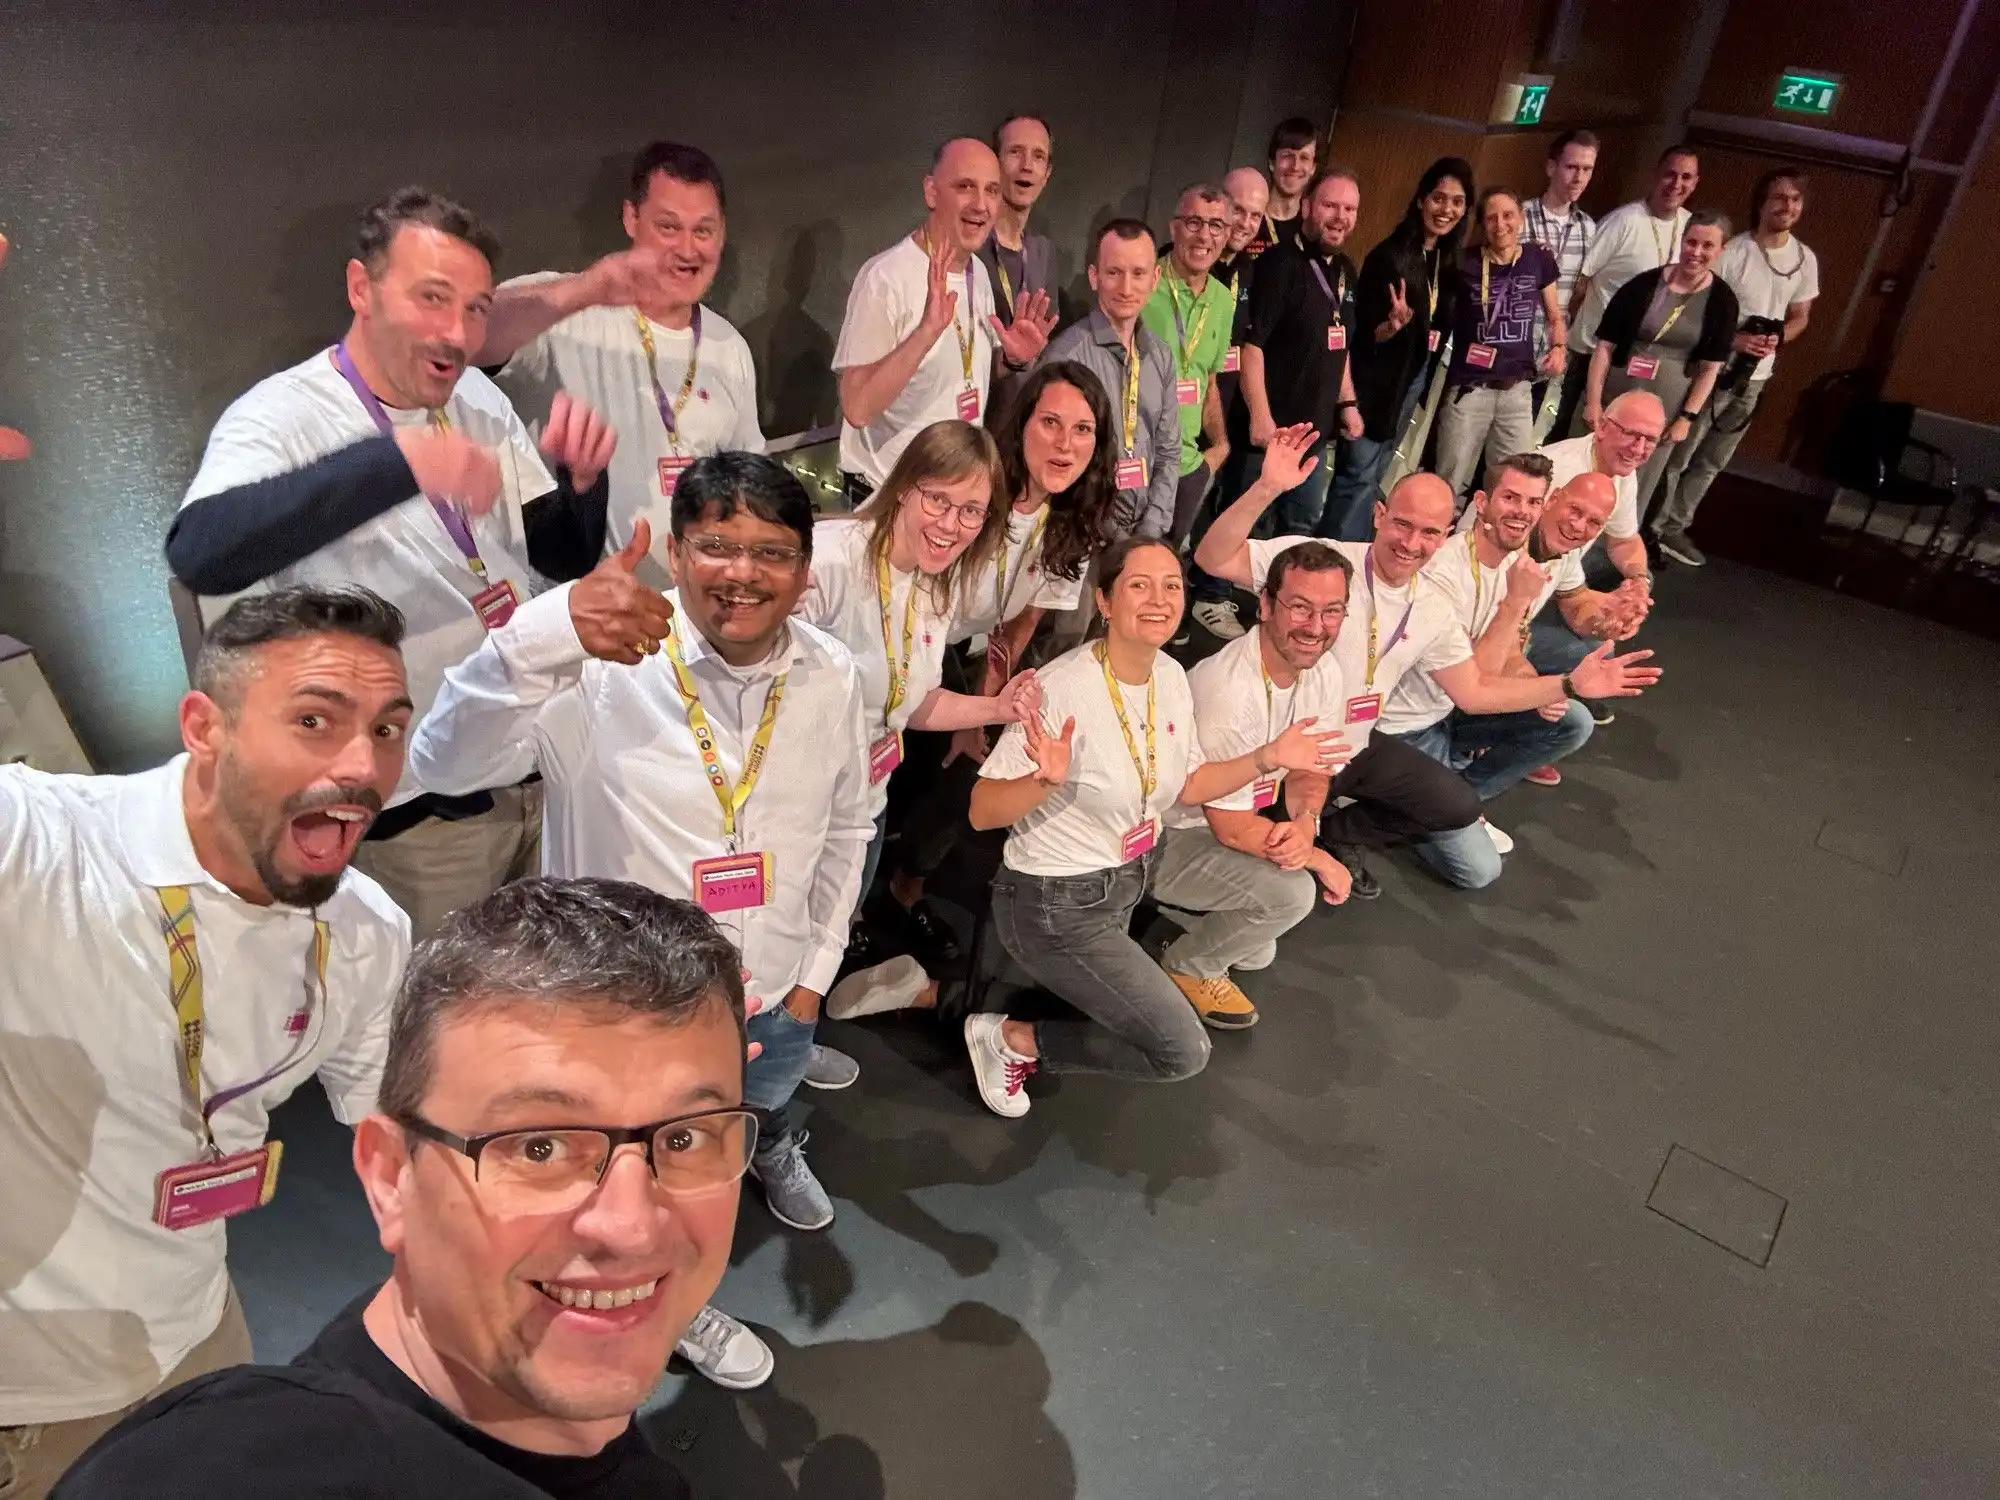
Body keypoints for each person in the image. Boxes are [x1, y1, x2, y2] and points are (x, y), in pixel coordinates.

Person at [405, 451, 873, 1390]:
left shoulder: (833, 674)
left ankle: (768, 1150)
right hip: (626, 1026)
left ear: (804, 570)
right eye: (717, 545)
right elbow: (441, 762)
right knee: (628, 1186)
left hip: (776, 995)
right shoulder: (601, 668)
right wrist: (543, 633)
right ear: (678, 551)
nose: (742, 573)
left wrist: (815, 975)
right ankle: (674, 1308)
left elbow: (849, 824)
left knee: (737, 1129)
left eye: (770, 552)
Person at [52, 878, 753, 1499]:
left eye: (685, 1138)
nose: (631, 1226)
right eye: (539, 1147)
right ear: (391, 1177)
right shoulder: (225, 1470)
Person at [1, 588, 414, 1500]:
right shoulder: (43, 846)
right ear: (203, 727)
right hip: (27, 1395)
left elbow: (387, 1113)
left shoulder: (364, 926)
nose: (363, 767)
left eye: (387, 728)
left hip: (199, 1325)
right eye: (315, 721)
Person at [166, 187, 620, 939]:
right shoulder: (283, 414)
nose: (458, 333)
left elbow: (552, 558)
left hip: (538, 773)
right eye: (432, 298)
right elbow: (202, 551)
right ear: (361, 288)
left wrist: (582, 486)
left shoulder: (475, 397)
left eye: (476, 309)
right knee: (429, 1006)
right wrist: (400, 462)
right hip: (419, 816)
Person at [959, 536, 1348, 1117]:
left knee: (1239, 951)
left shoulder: (1168, 675)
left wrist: (1269, 757)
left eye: (1171, 586)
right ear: (1105, 601)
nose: (1159, 599)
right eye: (1139, 585)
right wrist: (1044, 781)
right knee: (1180, 1050)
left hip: (1129, 876)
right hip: (1055, 900)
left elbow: (1187, 785)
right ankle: (1007, 1040)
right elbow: (981, 809)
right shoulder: (1063, 688)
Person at [1196, 458, 1661, 893]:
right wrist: (1266, 487)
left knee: (1458, 804)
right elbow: (1214, 559)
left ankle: (1333, 832)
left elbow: (1473, 691)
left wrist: (1568, 685)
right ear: (1379, 515)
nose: (1411, 543)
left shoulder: (1433, 608)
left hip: (1355, 742)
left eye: (1429, 532)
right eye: (1402, 524)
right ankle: (1293, 837)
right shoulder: (1326, 564)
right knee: (1254, 845)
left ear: (1442, 537)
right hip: (1286, 742)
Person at [868, 363, 1122, 977]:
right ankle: (858, 906)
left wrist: (980, 709)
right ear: (1022, 423)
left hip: (963, 650)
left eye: (1082, 430)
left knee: (960, 769)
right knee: (881, 773)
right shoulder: (978, 489)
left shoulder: (1071, 520)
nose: (1065, 444)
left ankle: (902, 891)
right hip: (899, 632)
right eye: (1051, 423)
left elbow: (1020, 623)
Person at [479, 142, 764, 574]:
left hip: (694, 602)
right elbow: (468, 335)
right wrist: (585, 291)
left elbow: (750, 483)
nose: (688, 250)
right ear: (631, 218)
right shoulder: (568, 309)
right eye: (668, 227)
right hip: (583, 598)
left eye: (703, 231)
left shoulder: (730, 347)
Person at [795, 419, 1033, 905]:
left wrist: (997, 708)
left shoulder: (935, 582)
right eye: (938, 500)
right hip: (797, 807)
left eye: (971, 511)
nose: (951, 525)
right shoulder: (830, 561)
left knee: (834, 933)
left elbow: (914, 703)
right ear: (904, 487)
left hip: (865, 803)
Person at [1376, 458, 1602, 886]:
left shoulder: (1517, 562)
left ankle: (1459, 796)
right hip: (1404, 728)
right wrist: (1516, 605)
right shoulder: (1443, 572)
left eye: (1532, 502)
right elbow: (1472, 689)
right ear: (1482, 503)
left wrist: (1531, 681)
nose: (1522, 511)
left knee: (1572, 721)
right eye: (1510, 498)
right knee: (1478, 871)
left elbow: (1511, 648)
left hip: (1449, 715)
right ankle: (1398, 802)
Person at [832, 137, 1054, 504]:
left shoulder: (977, 273)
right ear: (932, 192)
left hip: (952, 499)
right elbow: (857, 407)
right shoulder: (886, 278)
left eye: (992, 190)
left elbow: (965, 375)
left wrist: (1012, 360)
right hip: (887, 501)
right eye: (965, 187)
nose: (981, 205)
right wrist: (925, 333)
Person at [1650, 169, 1819, 566]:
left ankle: (1675, 526)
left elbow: (1801, 316)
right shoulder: (1733, 252)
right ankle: (1650, 527)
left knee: (1712, 461)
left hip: (1754, 378)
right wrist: (1735, 340)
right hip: (1713, 371)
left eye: (1795, 199)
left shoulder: (1804, 259)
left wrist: (1777, 338)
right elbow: (1696, 310)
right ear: (1761, 202)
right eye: (1779, 197)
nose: (1788, 206)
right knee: (1680, 455)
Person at [1328, 157, 1471, 540]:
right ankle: (1335, 551)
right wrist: (1390, 328)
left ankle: (1355, 547)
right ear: (1421, 200)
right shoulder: (1389, 256)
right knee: (1357, 476)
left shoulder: (1445, 259)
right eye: (1439, 198)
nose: (1446, 209)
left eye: (1457, 201)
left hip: (1412, 377)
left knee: (1375, 474)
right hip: (1374, 384)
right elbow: (1361, 338)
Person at [1229, 167, 1366, 547]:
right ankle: (1212, 586)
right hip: (1269, 438)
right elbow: (1251, 345)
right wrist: (1260, 417)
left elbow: (1339, 346)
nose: (1340, 217)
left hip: (1313, 440)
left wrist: (1348, 404)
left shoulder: (1345, 271)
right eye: (1330, 206)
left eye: (1350, 209)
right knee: (1245, 534)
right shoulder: (1277, 264)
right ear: (1306, 207)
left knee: (1298, 536)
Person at [1576, 212, 1739, 513]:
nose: (1696, 252)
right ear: (1682, 240)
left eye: (1707, 246)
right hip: (1611, 401)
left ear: (1721, 250)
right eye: (1691, 242)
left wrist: (1686, 418)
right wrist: (1593, 402)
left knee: (1632, 494)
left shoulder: (1723, 301)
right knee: (1583, 477)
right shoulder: (1643, 283)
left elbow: (1709, 369)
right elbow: (1604, 347)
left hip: (1662, 417)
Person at [1041, 219, 1180, 539]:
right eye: (1114, 272)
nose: (1126, 288)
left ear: (1155, 278)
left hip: (1145, 536)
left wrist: (1149, 533)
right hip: (1083, 535)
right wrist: (1117, 540)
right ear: (1094, 277)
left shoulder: (1160, 356)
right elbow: (1056, 460)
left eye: (1138, 273)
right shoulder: (1067, 357)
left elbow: (1168, 451)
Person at [1552, 143, 1700, 437]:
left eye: (1686, 177)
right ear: (1655, 174)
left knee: (1614, 438)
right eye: (1670, 174)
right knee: (1567, 435)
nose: (1676, 184)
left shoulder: (1690, 227)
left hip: (1638, 356)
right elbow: (1581, 282)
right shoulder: (1623, 221)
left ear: (1695, 182)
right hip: (1590, 352)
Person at [1433, 189, 1565, 500]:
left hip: (1516, 391)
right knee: (1450, 480)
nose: (1500, 224)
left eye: (1508, 215)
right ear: (1482, 224)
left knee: (1512, 484)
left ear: (1522, 218)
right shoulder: (1462, 262)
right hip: (1470, 389)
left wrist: (1559, 347)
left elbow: (1555, 316)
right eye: (1491, 218)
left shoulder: (1538, 259)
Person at [1141, 185, 1241, 548]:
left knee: (1165, 563)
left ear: (1227, 235)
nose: (1204, 236)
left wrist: (1220, 447)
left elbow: (1208, 382)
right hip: (1139, 462)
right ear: (1174, 227)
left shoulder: (1222, 300)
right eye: (1194, 222)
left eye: (1216, 226)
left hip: (1187, 466)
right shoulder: (1143, 283)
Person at [1523, 130, 1599, 435]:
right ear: (1551, 167)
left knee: (1522, 448)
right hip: (1510, 352)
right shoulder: (1519, 216)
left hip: (1550, 359)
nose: (1579, 178)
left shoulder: (1588, 228)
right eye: (1572, 167)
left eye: (1587, 169)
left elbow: (1580, 293)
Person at [1261, 118, 1320, 253]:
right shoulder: (1248, 221)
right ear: (1272, 162)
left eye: (1304, 157)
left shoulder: (1314, 230)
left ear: (1313, 168)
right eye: (1287, 155)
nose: (1295, 166)